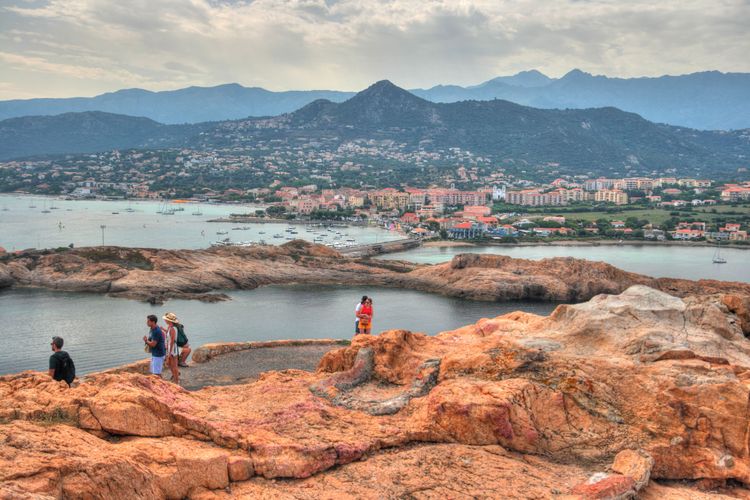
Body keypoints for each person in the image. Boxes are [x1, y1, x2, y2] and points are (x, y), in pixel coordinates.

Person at [162, 312, 181, 384]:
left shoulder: (172, 328)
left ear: (169, 321)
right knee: (170, 364)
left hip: (172, 348)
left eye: (166, 319)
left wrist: (169, 353)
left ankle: (176, 380)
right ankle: (175, 377)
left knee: (174, 365)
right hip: (170, 347)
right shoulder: (170, 327)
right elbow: (169, 336)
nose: (165, 320)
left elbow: (172, 341)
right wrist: (163, 329)